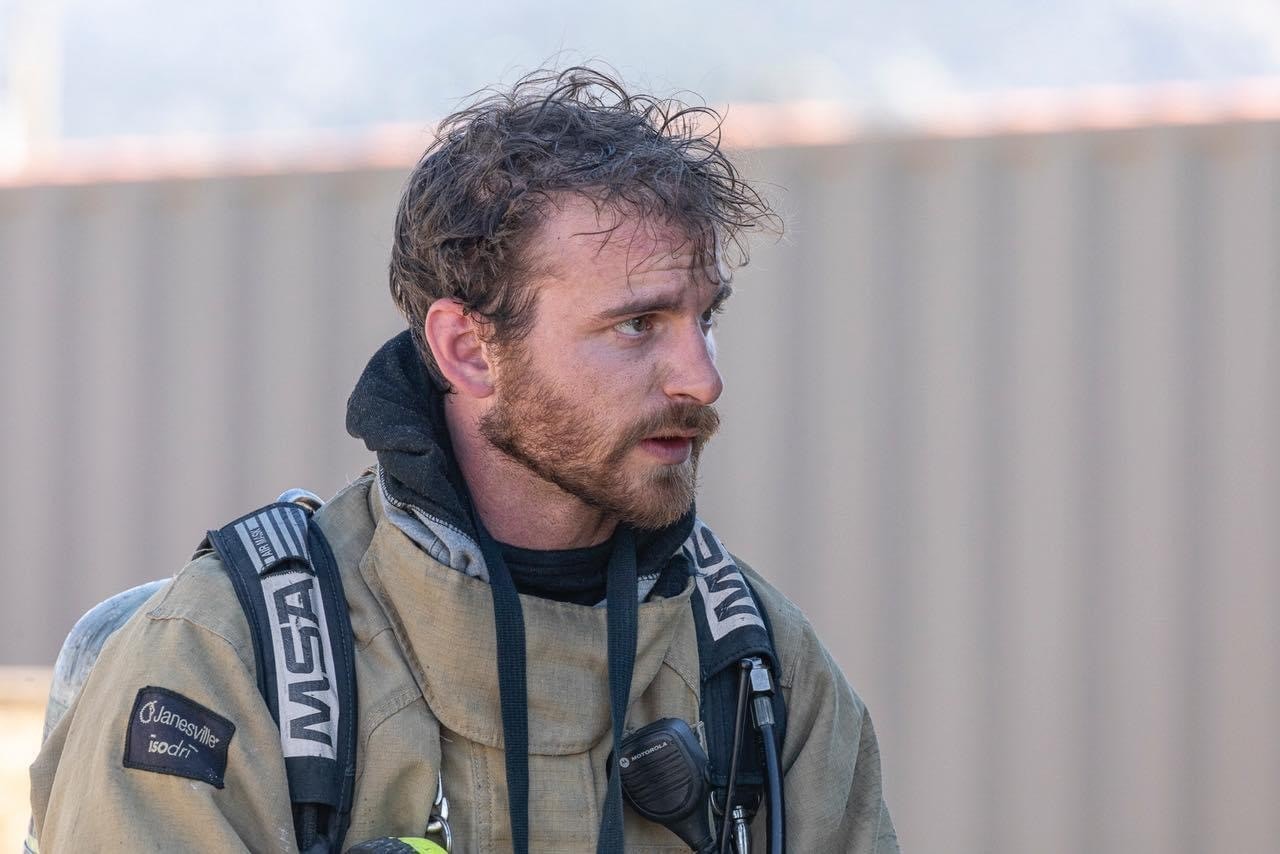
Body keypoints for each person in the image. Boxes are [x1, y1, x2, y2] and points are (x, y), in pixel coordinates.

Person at [29, 67, 898, 853]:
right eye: (638, 324)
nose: (702, 379)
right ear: (470, 350)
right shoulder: (224, 662)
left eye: (704, 318)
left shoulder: (760, 671)